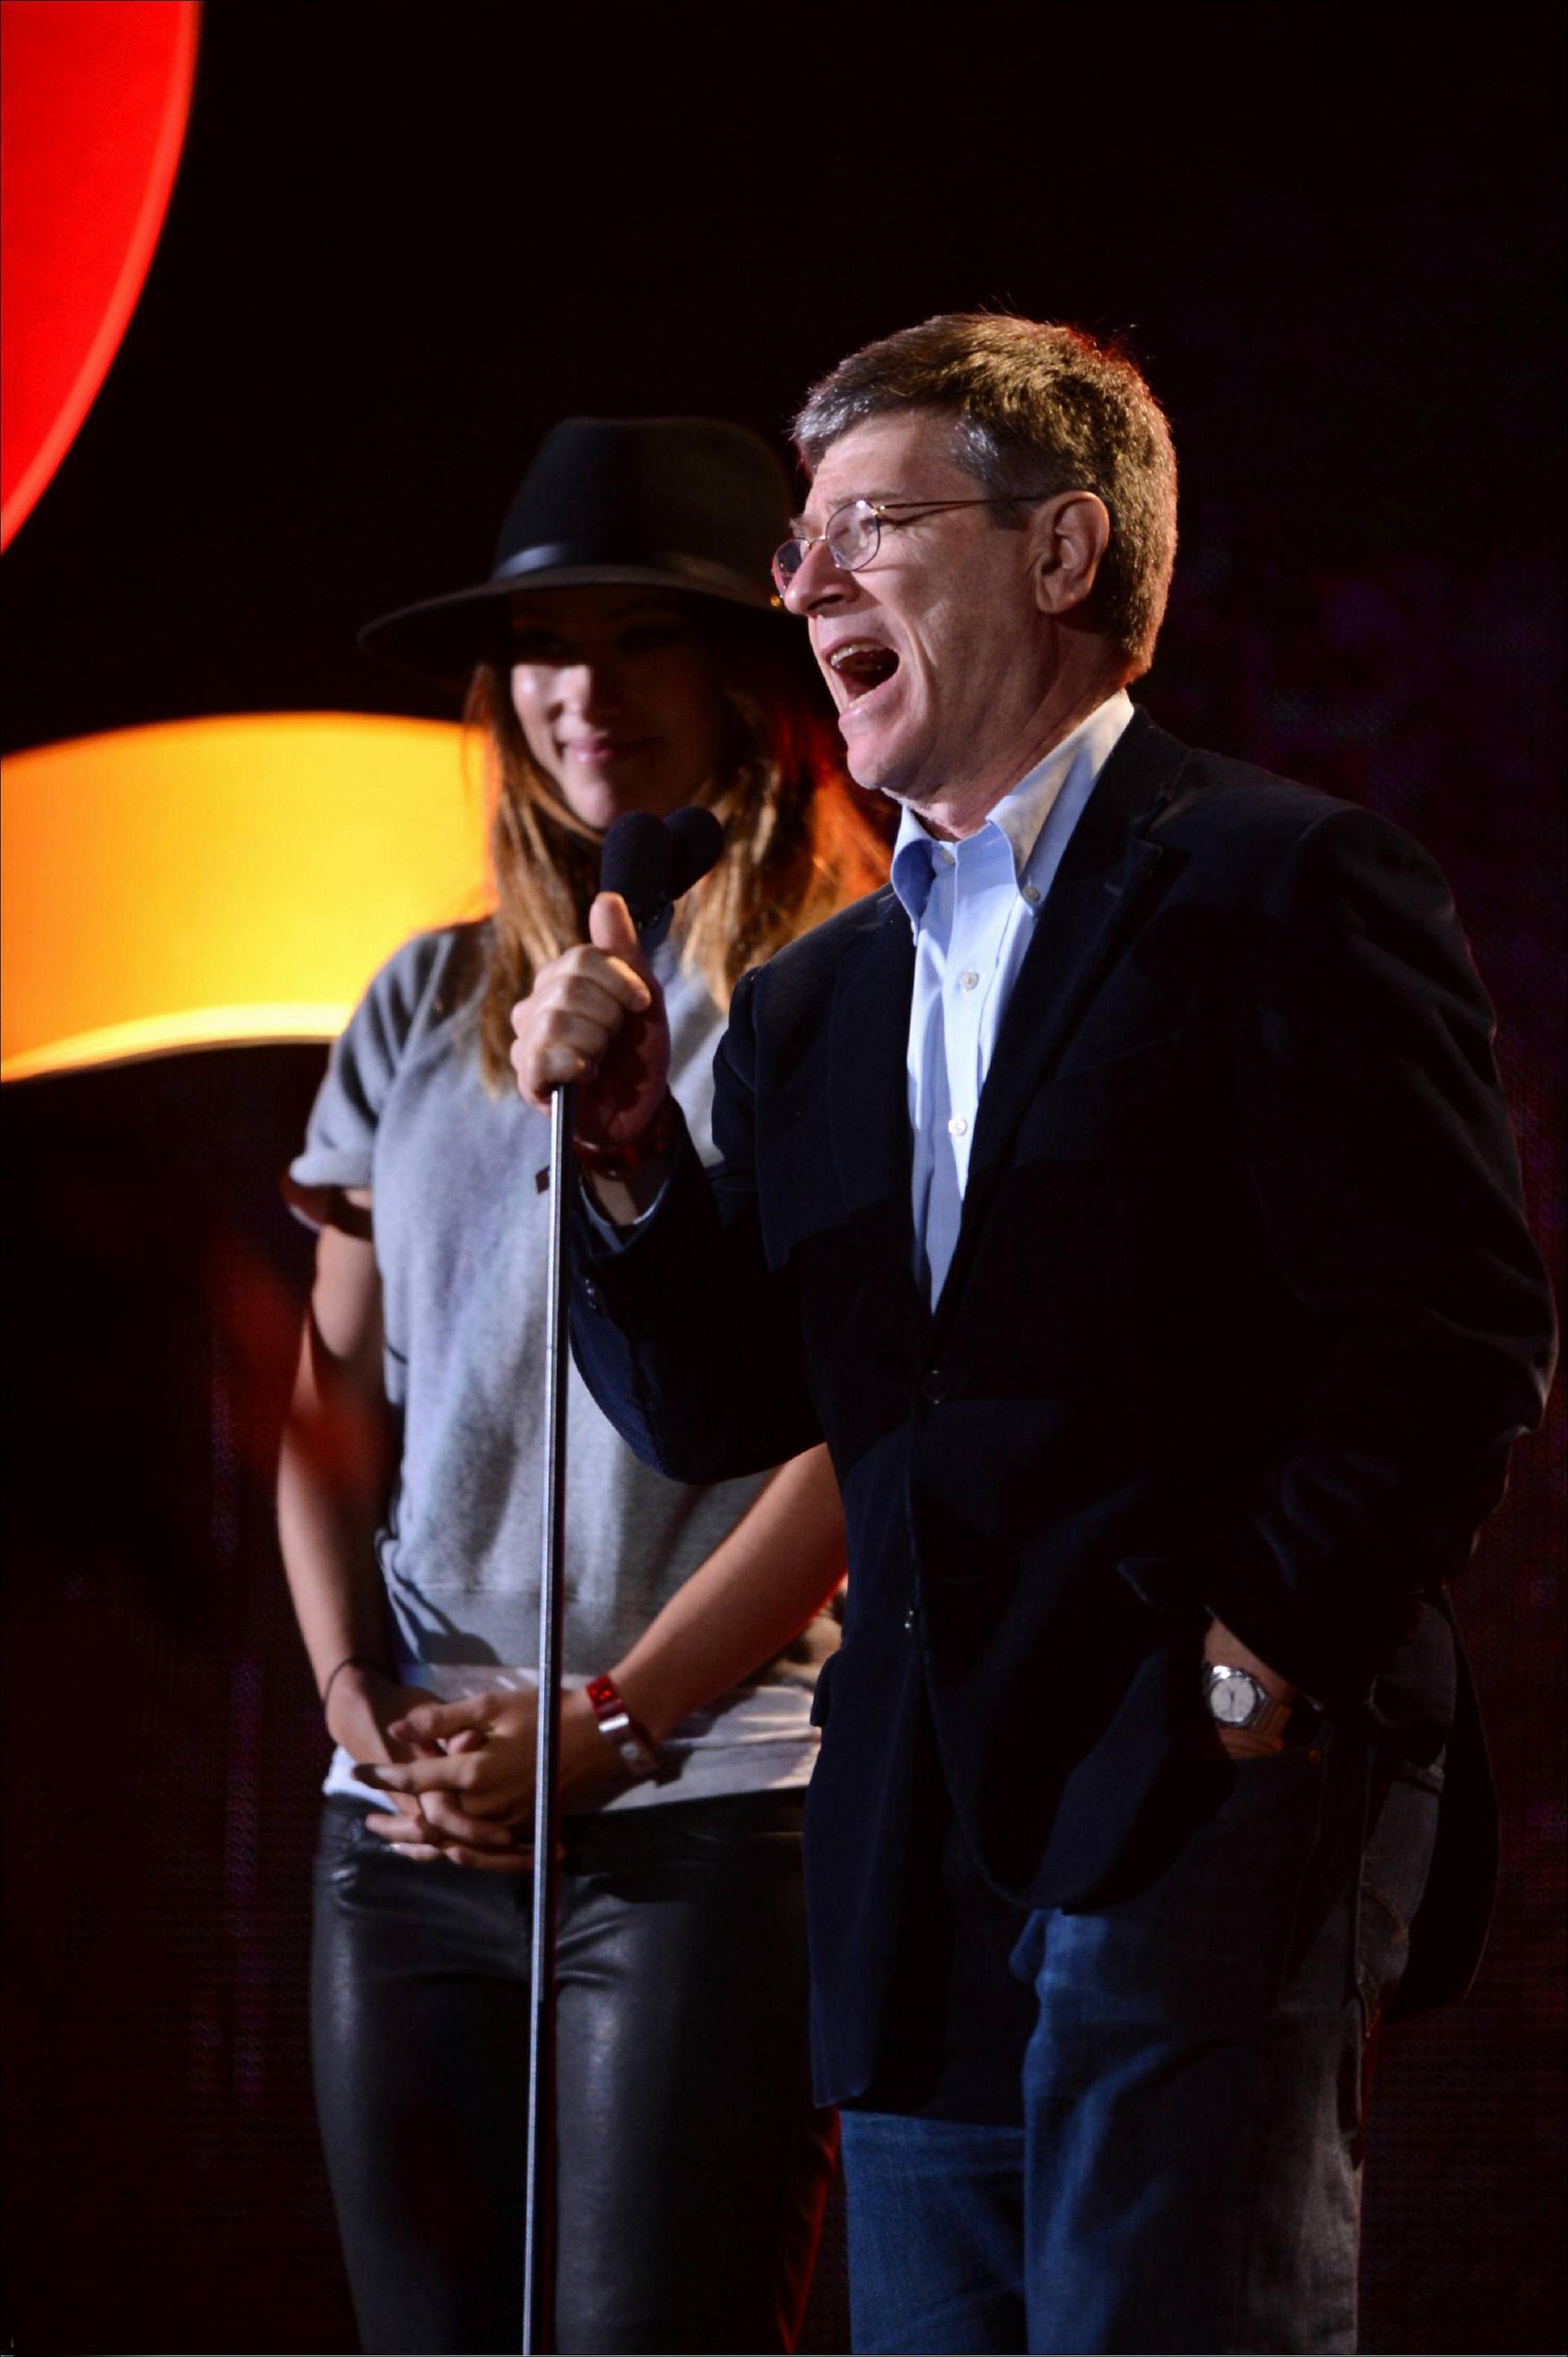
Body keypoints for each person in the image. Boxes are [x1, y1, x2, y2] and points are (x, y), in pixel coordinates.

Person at [510, 319, 1558, 2355]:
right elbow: (728, 1398)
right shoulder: (817, 1004)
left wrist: (1251, 1674)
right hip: (921, 1855)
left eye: (866, 527)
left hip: (1200, 1813)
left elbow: (1453, 1333)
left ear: (1065, 551)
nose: (802, 584)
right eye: (797, 544)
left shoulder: (1285, 883)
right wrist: (633, 1157)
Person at [277, 415, 885, 2356]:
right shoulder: (417, 996)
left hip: (706, 1798)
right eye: (546, 642)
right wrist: (357, 1701)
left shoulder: (849, 980)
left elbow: (860, 1435)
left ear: (739, 675)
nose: (582, 690)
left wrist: (615, 1721)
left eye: (640, 638)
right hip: (417, 1812)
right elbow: (324, 1387)